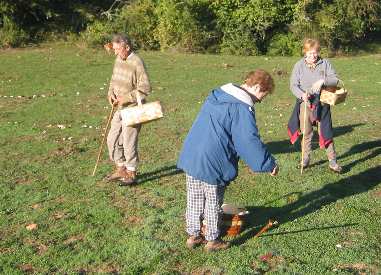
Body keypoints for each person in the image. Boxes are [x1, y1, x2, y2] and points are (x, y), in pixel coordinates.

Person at [177, 70, 279, 252]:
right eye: (262, 96)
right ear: (256, 87)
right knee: (212, 201)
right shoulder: (241, 107)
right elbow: (248, 141)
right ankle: (212, 239)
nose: (260, 101)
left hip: (193, 154)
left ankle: (193, 235)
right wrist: (268, 163)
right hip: (214, 161)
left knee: (194, 197)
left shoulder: (218, 95)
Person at [288, 38, 342, 173]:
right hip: (305, 102)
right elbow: (293, 85)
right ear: (304, 52)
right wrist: (302, 95)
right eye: (310, 53)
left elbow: (335, 79)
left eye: (315, 53)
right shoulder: (298, 65)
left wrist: (323, 80)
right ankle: (305, 159)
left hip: (323, 101)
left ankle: (333, 161)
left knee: (325, 130)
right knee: (306, 132)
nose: (313, 56)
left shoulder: (325, 63)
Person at [106, 34, 151, 185]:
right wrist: (110, 93)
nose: (116, 52)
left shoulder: (137, 62)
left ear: (127, 47)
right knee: (112, 139)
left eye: (118, 49)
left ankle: (131, 173)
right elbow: (113, 79)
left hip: (132, 110)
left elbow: (145, 88)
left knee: (128, 142)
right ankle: (121, 168)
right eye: (115, 49)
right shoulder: (118, 59)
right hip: (118, 108)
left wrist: (125, 98)